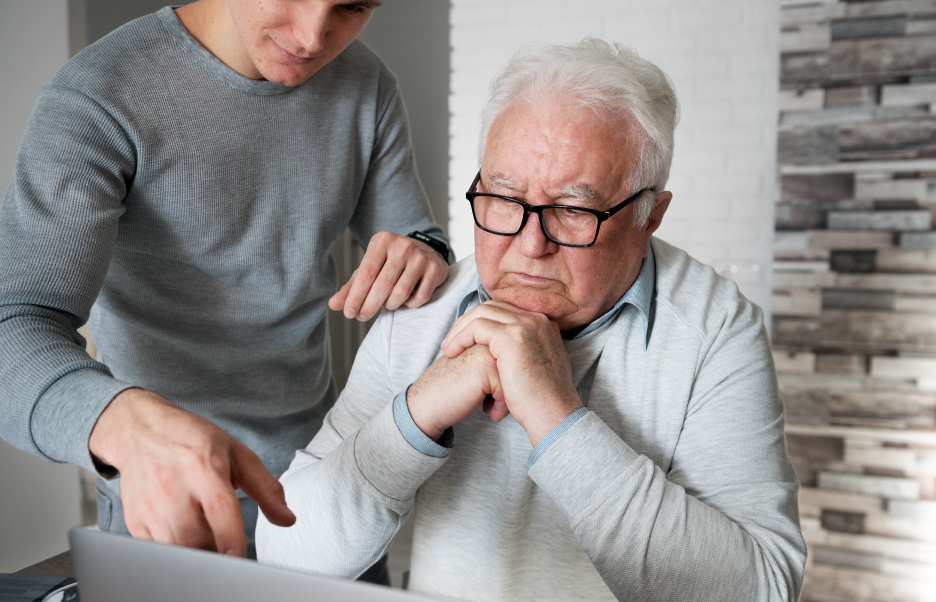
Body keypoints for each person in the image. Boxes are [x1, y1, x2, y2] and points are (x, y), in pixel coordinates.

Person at [256, 38, 807, 601]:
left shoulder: (716, 330)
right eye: (503, 198)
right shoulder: (424, 306)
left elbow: (763, 590)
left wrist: (555, 416)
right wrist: (418, 413)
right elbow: (287, 548)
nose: (529, 244)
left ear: (650, 216)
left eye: (572, 209)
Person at [0, 0, 452, 571]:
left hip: (328, 487)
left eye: (353, 6)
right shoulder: (97, 96)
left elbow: (417, 234)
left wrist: (425, 252)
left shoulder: (367, 84)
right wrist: (121, 422)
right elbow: (13, 325)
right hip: (170, 502)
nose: (313, 37)